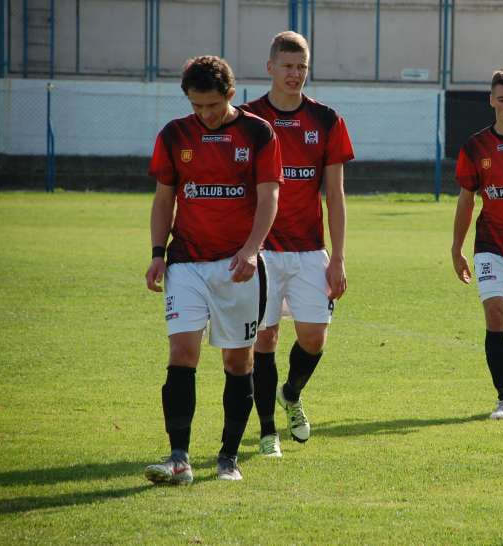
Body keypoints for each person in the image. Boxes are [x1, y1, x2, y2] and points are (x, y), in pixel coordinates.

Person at [143, 56, 283, 483]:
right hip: (186, 261)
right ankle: (178, 457)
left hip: (238, 266)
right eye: (196, 106)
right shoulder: (174, 134)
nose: (203, 115)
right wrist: (157, 252)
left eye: (211, 106)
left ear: (230, 95)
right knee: (182, 353)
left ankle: (228, 457)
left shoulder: (258, 132)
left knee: (238, 363)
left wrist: (252, 251)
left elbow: (269, 197)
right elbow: (165, 197)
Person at [241, 31, 354, 456]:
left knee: (314, 338)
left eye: (302, 67)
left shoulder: (326, 120)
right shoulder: (249, 119)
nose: (295, 74)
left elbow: (336, 196)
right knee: (264, 339)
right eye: (287, 66)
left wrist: (338, 257)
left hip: (309, 250)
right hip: (262, 250)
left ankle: (291, 394)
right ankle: (268, 429)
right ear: (270, 67)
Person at [451, 68, 503, 420]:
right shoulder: (476, 146)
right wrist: (457, 247)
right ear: (491, 101)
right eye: (502, 99)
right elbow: (467, 200)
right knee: (496, 315)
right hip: (491, 247)